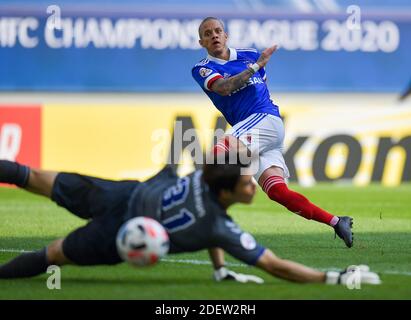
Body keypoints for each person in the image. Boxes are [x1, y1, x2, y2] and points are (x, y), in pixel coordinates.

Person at [0, 159, 380, 286]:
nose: (253, 186)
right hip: (118, 235)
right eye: (248, 183)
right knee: (52, 255)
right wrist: (334, 276)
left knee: (31, 177)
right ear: (227, 193)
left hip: (121, 195)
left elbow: (208, 220)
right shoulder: (218, 226)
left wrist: (219, 269)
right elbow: (273, 265)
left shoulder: (204, 177)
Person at [191, 17, 353, 248]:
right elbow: (224, 88)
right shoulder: (202, 68)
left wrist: (256, 67)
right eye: (208, 33)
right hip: (257, 130)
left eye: (218, 31)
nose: (214, 35)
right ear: (202, 42)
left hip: (264, 119)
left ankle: (195, 207)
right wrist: (256, 67)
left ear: (226, 35)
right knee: (277, 191)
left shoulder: (249, 54)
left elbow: (261, 87)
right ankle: (337, 221)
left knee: (220, 151)